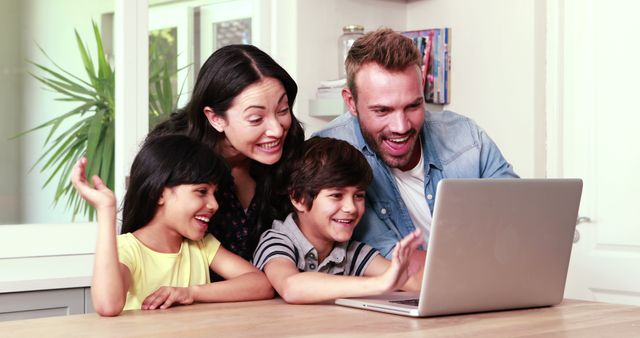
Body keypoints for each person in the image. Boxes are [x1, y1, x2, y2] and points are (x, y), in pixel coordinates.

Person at [315, 28, 518, 260]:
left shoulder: (467, 138)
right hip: (404, 291)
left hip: (492, 284)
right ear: (351, 103)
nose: (401, 126)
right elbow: (389, 261)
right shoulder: (329, 154)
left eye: (413, 106)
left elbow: (517, 221)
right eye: (383, 110)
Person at [71, 135, 273, 317]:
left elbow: (262, 285)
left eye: (214, 193)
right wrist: (106, 210)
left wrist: (190, 293)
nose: (214, 204)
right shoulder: (128, 249)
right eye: (202, 191)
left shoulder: (202, 246)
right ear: (159, 193)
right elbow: (108, 306)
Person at [147, 45, 305, 273]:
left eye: (282, 110)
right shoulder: (173, 159)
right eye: (256, 118)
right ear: (215, 118)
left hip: (276, 299)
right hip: (189, 300)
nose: (277, 130)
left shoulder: (293, 150)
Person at [252, 137, 424, 304]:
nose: (351, 207)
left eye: (359, 195)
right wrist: (380, 283)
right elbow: (291, 287)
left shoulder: (352, 252)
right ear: (299, 198)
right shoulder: (276, 241)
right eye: (336, 195)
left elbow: (414, 283)